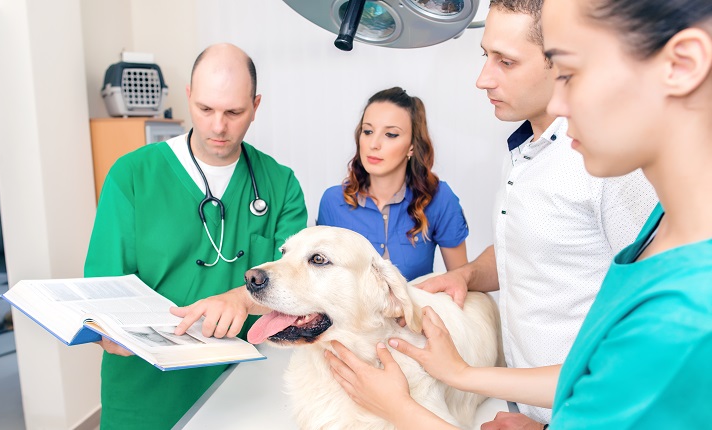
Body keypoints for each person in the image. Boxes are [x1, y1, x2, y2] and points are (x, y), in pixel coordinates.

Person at [326, 0, 712, 428]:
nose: (559, 106)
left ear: (682, 64)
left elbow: (635, 375)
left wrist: (400, 408)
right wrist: (466, 368)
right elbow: (607, 373)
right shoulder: (528, 152)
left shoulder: (685, 305)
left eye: (568, 71)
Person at [84, 43, 308, 429]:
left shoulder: (280, 183)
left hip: (242, 380)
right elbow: (104, 284)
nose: (218, 126)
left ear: (256, 105)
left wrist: (240, 297)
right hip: (145, 388)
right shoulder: (132, 175)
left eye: (234, 112)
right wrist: (102, 328)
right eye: (205, 109)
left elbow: (298, 283)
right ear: (188, 96)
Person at [317, 87, 469, 281]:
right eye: (368, 131)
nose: (374, 144)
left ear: (412, 146)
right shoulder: (332, 202)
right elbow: (321, 284)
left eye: (391, 134)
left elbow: (461, 282)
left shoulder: (439, 198)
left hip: (418, 311)